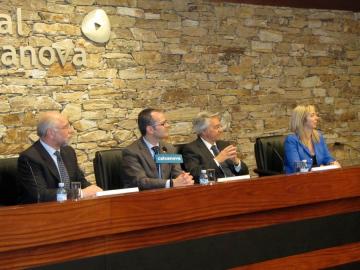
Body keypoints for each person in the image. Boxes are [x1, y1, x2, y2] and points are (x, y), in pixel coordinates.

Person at [17, 111, 102, 203]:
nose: (71, 131)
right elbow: (40, 194)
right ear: (51, 133)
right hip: (43, 212)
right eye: (65, 127)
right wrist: (80, 193)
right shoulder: (29, 158)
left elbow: (79, 181)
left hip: (72, 209)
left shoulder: (68, 152)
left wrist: (94, 191)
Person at [122, 108, 194, 190]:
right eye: (163, 124)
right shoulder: (131, 152)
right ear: (150, 129)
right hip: (143, 198)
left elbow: (177, 173)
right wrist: (170, 183)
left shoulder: (169, 148)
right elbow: (140, 181)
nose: (168, 126)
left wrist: (184, 179)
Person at [181, 112, 249, 183]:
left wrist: (236, 162)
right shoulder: (191, 149)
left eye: (220, 126)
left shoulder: (224, 145)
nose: (221, 130)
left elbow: (245, 173)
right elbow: (194, 174)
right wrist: (217, 160)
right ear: (204, 131)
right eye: (217, 127)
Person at [284, 105, 340, 174]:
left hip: (318, 178)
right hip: (297, 180)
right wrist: (315, 168)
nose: (316, 118)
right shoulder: (291, 140)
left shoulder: (318, 136)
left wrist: (332, 163)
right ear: (302, 120)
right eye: (312, 115)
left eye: (316, 115)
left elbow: (327, 157)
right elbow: (295, 165)